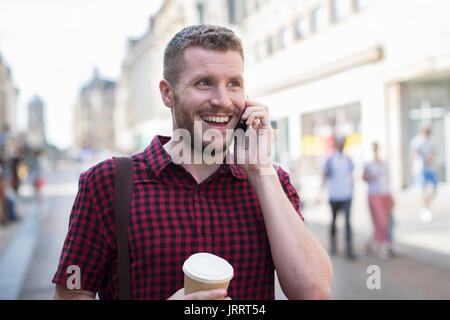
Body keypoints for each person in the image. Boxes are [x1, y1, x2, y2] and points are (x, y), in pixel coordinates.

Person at [52, 25, 332, 300]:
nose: (223, 100)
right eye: (204, 83)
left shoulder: (272, 182)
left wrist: (261, 171)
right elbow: (71, 293)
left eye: (234, 83)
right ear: (167, 93)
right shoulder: (107, 183)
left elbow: (315, 292)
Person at [321, 136, 355, 260]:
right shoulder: (330, 158)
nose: (342, 144)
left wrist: (352, 189)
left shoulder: (347, 158)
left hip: (346, 195)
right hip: (334, 195)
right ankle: (333, 245)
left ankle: (349, 249)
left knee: (348, 223)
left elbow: (351, 174)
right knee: (334, 221)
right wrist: (321, 191)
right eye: (341, 142)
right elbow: (324, 174)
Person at [363, 142, 394, 260]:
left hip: (385, 193)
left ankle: (372, 242)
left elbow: (388, 179)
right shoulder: (368, 164)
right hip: (374, 194)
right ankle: (383, 248)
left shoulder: (385, 163)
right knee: (381, 222)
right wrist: (371, 177)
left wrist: (391, 195)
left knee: (385, 222)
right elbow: (364, 178)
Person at [409, 126, 438, 222]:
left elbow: (435, 153)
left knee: (434, 189)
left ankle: (427, 204)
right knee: (424, 190)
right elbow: (413, 154)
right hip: (421, 169)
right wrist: (412, 167)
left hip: (431, 169)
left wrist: (431, 157)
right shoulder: (417, 141)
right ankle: (425, 208)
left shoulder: (432, 141)